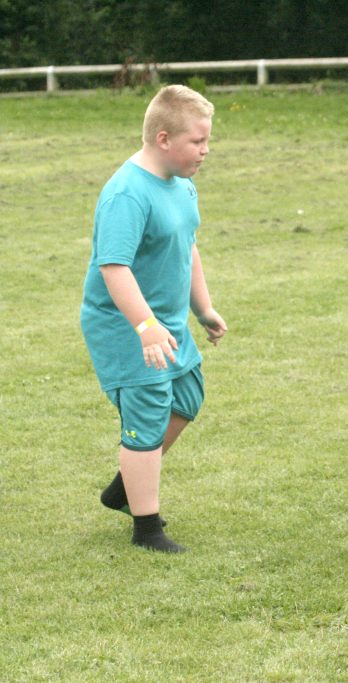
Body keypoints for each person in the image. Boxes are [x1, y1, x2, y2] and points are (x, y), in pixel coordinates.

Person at [81, 84, 227, 553]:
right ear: (163, 139)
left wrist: (202, 308)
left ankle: (126, 484)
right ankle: (147, 528)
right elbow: (114, 267)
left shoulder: (182, 184)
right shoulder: (126, 194)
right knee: (146, 414)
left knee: (187, 395)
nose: (205, 151)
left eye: (207, 141)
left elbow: (187, 244)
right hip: (126, 324)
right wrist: (145, 326)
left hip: (166, 321)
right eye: (197, 142)